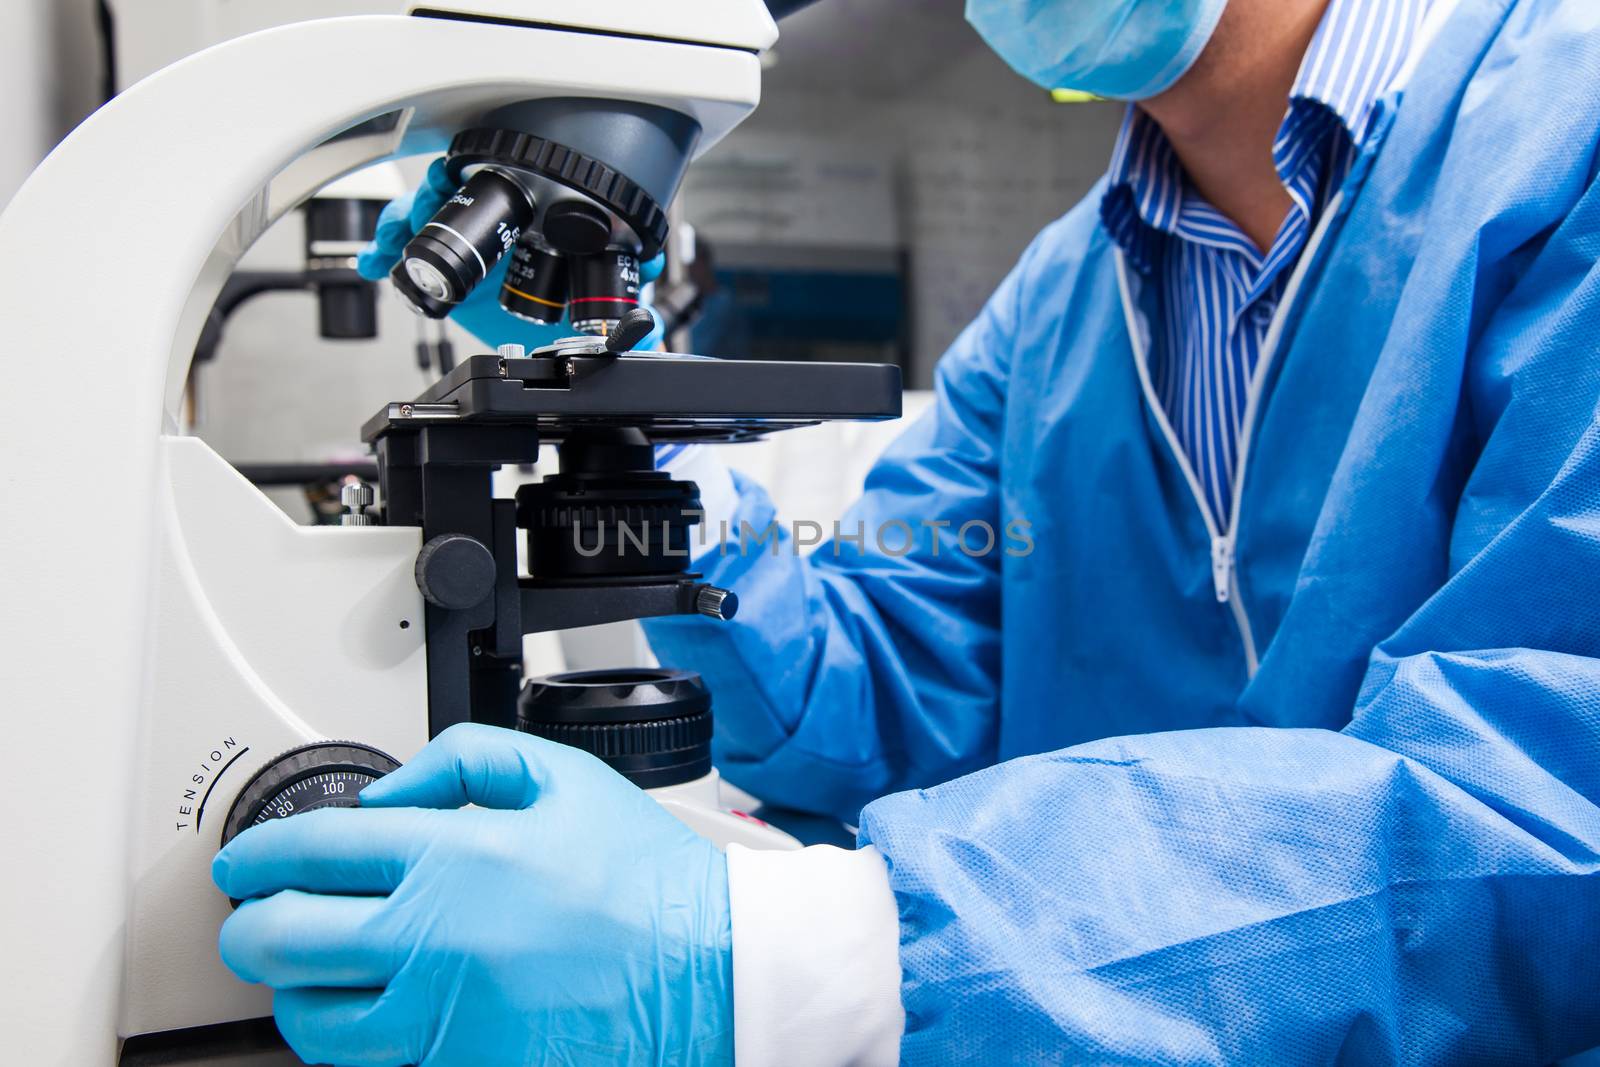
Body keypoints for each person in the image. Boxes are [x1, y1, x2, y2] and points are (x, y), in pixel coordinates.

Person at [211, 0, 1600, 1062]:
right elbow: (886, 684)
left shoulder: (1570, 142)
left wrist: (800, 958)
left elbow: (1551, 786)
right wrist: (620, 412)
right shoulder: (1063, 298)